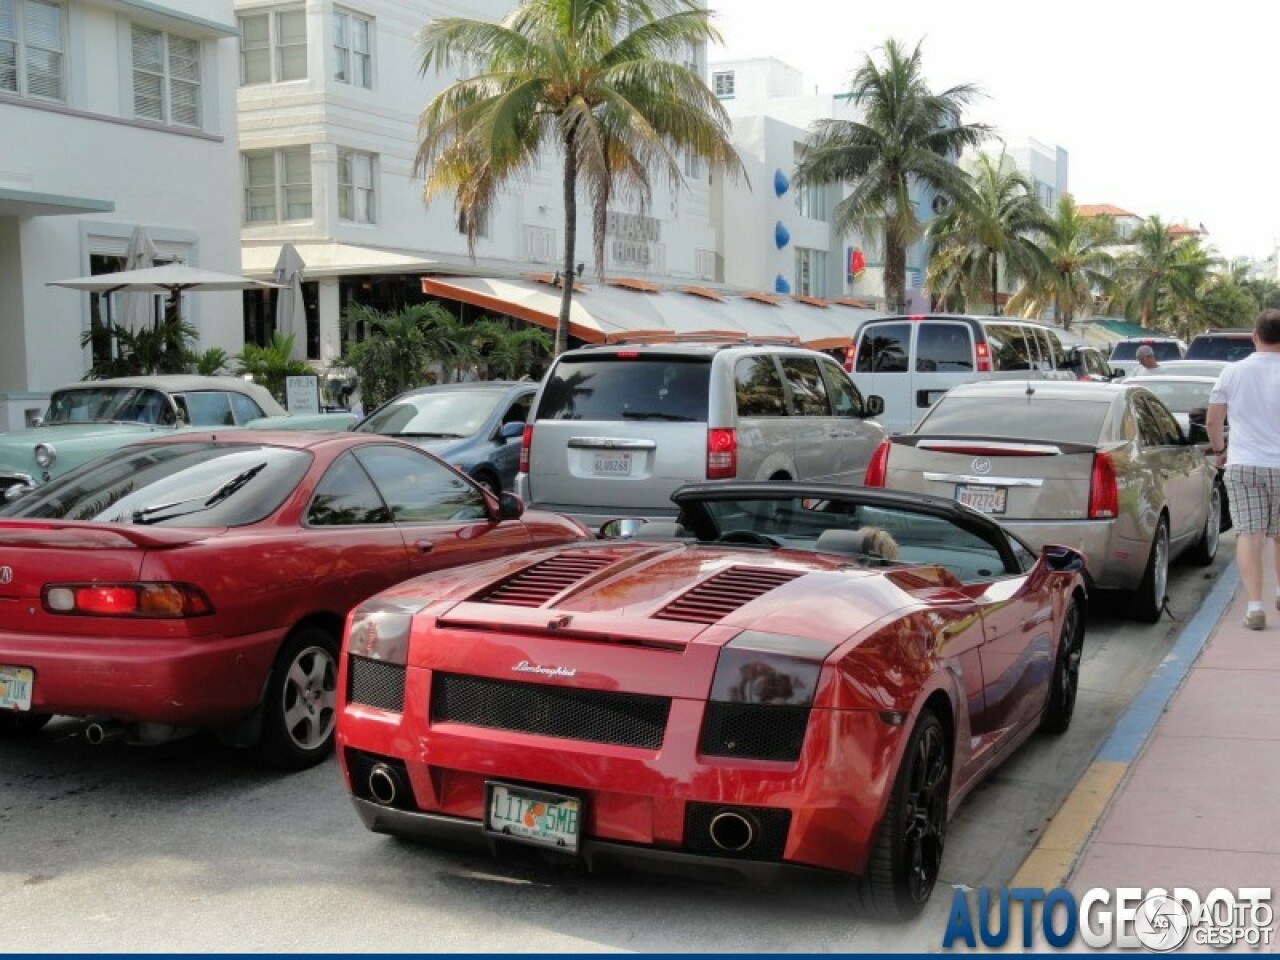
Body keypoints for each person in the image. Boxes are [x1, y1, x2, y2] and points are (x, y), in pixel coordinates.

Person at [1206, 309, 1280, 630]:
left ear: (1255, 335)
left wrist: (1220, 451)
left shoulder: (1232, 373)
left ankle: (1254, 607)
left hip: (1243, 464)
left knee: (1250, 535)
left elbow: (1213, 420)